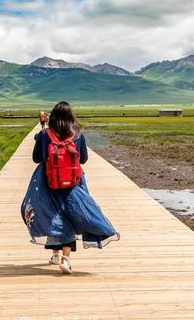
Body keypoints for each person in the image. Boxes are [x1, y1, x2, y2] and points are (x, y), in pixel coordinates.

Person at [21, 101, 120, 274]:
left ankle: (55, 254)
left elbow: (36, 158)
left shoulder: (45, 135)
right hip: (73, 184)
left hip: (47, 182)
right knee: (71, 216)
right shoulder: (77, 135)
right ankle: (65, 257)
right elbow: (83, 160)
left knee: (52, 215)